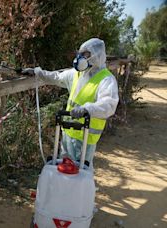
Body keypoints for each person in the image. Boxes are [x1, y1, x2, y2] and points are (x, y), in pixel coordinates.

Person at [22, 38, 119, 166]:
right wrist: (36, 72)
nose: (81, 58)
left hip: (85, 137)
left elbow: (109, 104)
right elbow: (56, 77)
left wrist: (87, 109)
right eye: (80, 54)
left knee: (80, 173)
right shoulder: (76, 74)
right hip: (67, 133)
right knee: (64, 170)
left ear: (97, 56)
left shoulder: (106, 79)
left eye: (85, 54)